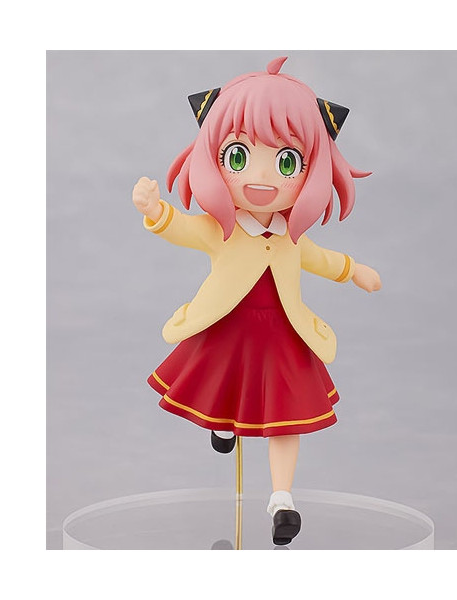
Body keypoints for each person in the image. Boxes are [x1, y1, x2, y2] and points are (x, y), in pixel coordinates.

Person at [132, 56, 381, 545]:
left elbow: (319, 258)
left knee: (286, 417)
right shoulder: (221, 230)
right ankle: (224, 424)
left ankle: (282, 500)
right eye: (238, 157)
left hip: (283, 337)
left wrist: (354, 270)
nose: (262, 178)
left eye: (287, 162)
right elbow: (181, 228)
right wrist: (155, 210)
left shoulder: (290, 235)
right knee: (225, 386)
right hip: (225, 330)